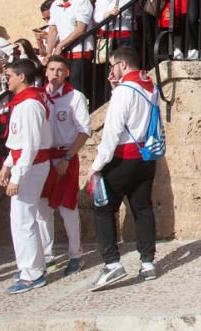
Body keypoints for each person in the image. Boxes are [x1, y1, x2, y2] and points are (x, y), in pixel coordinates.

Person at [86, 46, 160, 291]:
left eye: (112, 65)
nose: (111, 69)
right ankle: (148, 262)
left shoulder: (123, 92)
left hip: (123, 158)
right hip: (146, 157)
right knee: (142, 208)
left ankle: (111, 263)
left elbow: (113, 131)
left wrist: (96, 166)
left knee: (103, 208)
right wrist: (115, 88)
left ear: (122, 65)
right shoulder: (150, 87)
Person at [0, 59, 53, 294]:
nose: (6, 79)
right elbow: (19, 142)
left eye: (9, 75)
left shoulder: (30, 104)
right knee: (21, 218)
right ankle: (32, 265)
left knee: (23, 219)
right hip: (26, 163)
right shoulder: (23, 103)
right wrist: (6, 164)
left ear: (22, 77)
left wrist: (17, 176)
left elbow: (30, 145)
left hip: (31, 167)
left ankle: (32, 272)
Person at [36, 56, 90, 277]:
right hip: (42, 157)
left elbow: (84, 131)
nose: (55, 73)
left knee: (67, 207)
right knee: (42, 208)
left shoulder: (75, 97)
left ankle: (75, 255)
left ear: (67, 73)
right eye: (51, 69)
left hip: (65, 156)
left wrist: (67, 158)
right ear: (46, 72)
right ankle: (47, 257)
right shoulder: (39, 97)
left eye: (60, 70)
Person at [47, 0, 95, 96]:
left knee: (77, 90)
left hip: (80, 53)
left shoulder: (82, 3)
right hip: (64, 55)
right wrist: (48, 53)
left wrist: (60, 45)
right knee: (62, 90)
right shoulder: (55, 5)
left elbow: (80, 30)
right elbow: (53, 30)